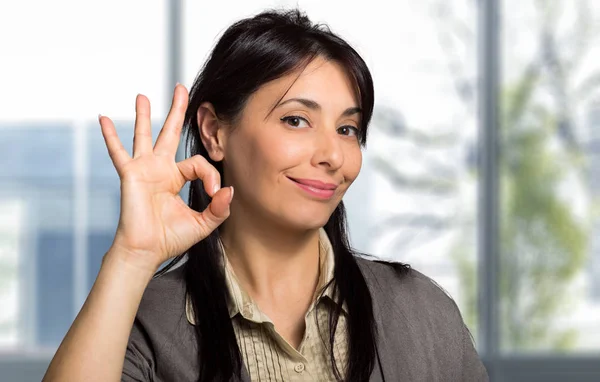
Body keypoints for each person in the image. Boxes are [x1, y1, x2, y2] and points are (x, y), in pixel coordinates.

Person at [43, 8, 489, 382]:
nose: (333, 154)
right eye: (296, 120)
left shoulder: (420, 312)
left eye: (348, 129)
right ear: (215, 133)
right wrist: (132, 255)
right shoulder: (146, 323)